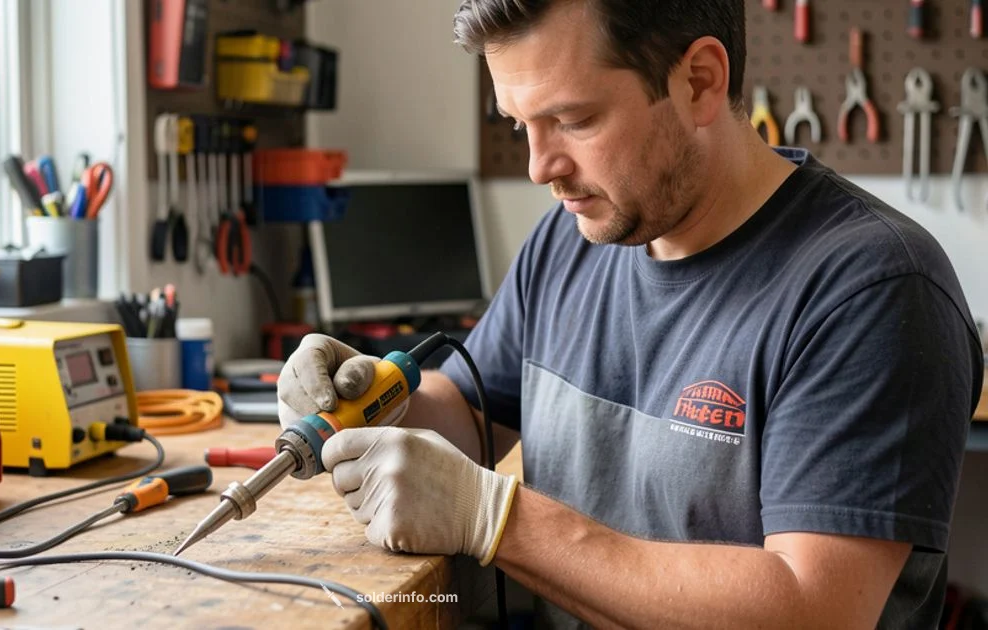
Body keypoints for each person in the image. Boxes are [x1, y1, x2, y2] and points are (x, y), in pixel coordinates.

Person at [276, 1, 984, 627]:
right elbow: (468, 407)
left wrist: (495, 517)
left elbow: (813, 610)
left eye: (572, 119)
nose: (538, 166)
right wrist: (373, 402)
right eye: (520, 124)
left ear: (701, 80)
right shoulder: (571, 238)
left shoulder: (874, 289)